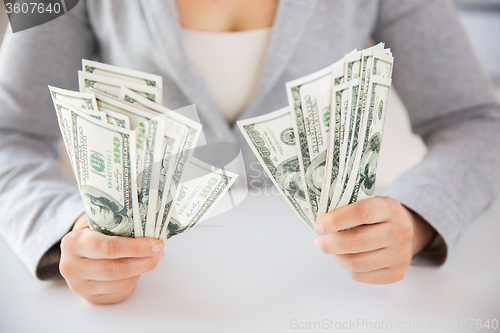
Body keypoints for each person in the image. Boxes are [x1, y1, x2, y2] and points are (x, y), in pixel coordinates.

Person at [0, 0, 499, 304]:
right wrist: (67, 234)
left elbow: (476, 121)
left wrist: (415, 222)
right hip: (149, 301)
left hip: (336, 294)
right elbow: (10, 135)